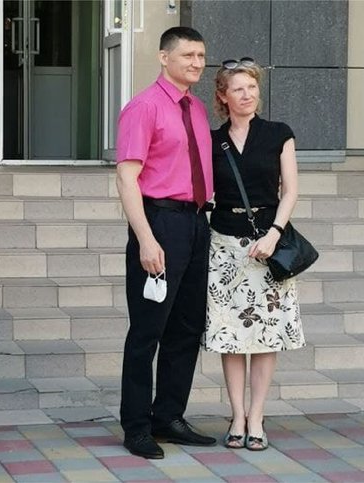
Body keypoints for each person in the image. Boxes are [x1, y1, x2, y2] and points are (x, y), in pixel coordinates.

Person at [116, 26, 217, 459]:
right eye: (189, 55)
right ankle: (137, 427)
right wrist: (145, 238)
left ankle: (168, 417)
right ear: (164, 57)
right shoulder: (143, 107)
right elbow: (126, 176)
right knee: (147, 331)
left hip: (196, 224)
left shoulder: (195, 107)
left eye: (201, 56)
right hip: (160, 222)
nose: (197, 63)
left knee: (187, 328)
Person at [202, 57, 305, 451]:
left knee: (265, 336)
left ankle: (257, 417)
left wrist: (275, 234)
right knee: (229, 335)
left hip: (269, 243)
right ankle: (237, 414)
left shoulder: (279, 133)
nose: (247, 95)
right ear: (223, 96)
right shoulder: (213, 141)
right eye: (238, 89)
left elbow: (290, 190)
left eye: (252, 87)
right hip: (224, 244)